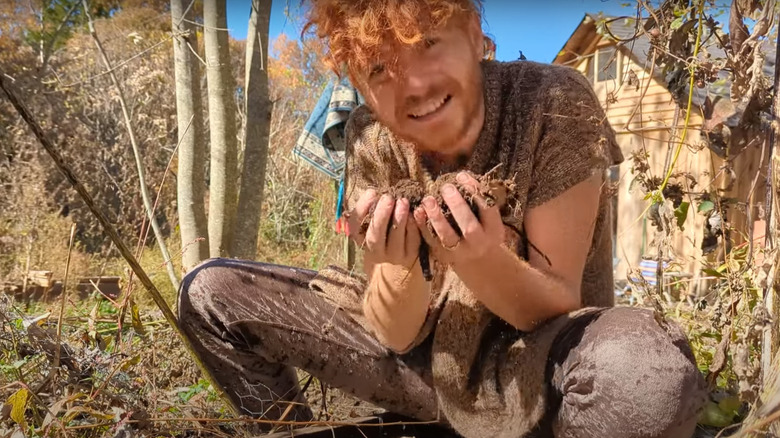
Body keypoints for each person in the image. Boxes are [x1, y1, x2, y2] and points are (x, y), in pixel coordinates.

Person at [177, 1, 708, 437]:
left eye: (425, 44)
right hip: (424, 366)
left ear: (474, 35)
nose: (413, 87)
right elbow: (398, 334)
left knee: (644, 375)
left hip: (544, 367)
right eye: (379, 69)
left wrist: (475, 257)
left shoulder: (552, 100)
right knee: (211, 293)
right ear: (361, 87)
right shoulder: (368, 135)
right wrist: (395, 266)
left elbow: (559, 301)